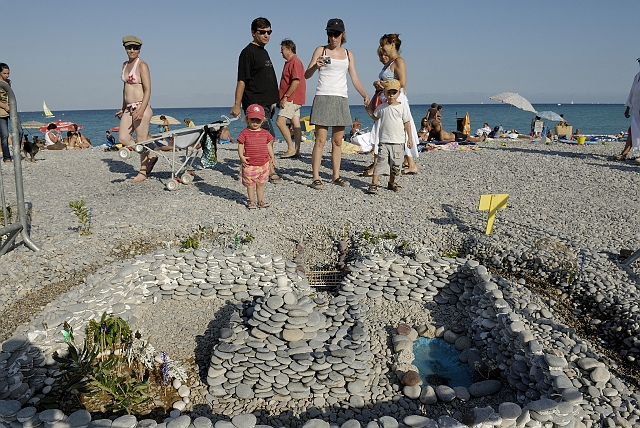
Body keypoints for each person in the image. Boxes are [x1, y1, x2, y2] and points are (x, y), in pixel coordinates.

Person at [305, 18, 370, 189]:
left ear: (343, 34)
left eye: (336, 34)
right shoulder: (321, 50)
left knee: (338, 141)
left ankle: (336, 176)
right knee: (320, 140)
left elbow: (354, 78)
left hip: (341, 98)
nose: (333, 37)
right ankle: (316, 177)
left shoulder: (348, 54)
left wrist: (365, 95)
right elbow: (306, 74)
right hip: (323, 97)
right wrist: (316, 66)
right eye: (330, 33)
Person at [230, 17, 282, 183]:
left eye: (269, 32)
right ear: (253, 32)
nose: (266, 35)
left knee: (258, 137)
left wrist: (272, 100)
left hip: (266, 103)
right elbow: (242, 80)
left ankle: (250, 168)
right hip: (254, 102)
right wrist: (237, 104)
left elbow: (265, 78)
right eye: (262, 32)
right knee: (267, 136)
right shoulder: (248, 52)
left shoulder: (263, 51)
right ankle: (269, 170)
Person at [368, 33, 419, 175]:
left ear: (392, 45)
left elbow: (402, 82)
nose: (381, 47)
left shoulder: (399, 61)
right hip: (387, 98)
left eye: (383, 44)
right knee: (389, 129)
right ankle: (407, 163)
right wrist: (377, 83)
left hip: (396, 99)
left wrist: (384, 84)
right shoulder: (389, 63)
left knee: (398, 129)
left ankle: (382, 164)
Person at [115, 35, 157, 182]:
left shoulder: (142, 65)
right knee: (123, 137)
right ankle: (150, 154)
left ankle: (143, 171)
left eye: (135, 48)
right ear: (125, 48)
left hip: (140, 106)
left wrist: (142, 108)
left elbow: (148, 89)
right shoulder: (124, 65)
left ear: (140, 49)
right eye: (129, 47)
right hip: (129, 107)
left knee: (141, 140)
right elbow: (125, 88)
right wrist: (123, 107)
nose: (132, 50)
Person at [364, 80, 412, 194]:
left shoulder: (402, 108)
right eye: (388, 92)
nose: (391, 95)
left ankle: (392, 182)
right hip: (384, 142)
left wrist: (410, 138)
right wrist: (368, 110)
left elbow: (407, 123)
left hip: (398, 142)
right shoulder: (382, 107)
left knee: (395, 165)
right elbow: (375, 117)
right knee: (380, 163)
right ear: (384, 93)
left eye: (394, 92)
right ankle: (374, 183)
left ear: (398, 94)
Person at [238, 104, 276, 209]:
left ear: (263, 120)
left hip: (263, 163)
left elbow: (269, 145)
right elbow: (241, 144)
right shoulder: (245, 133)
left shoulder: (265, 133)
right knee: (250, 185)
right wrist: (241, 156)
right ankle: (251, 201)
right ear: (247, 119)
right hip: (249, 164)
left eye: (258, 120)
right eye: (252, 119)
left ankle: (260, 201)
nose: (255, 123)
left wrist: (272, 156)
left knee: (260, 184)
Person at [276, 39, 306, 159]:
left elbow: (296, 81)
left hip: (292, 98)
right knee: (296, 124)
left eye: (282, 49)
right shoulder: (292, 62)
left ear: (289, 49)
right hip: (296, 98)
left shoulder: (295, 62)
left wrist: (285, 96)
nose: (281, 52)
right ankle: (297, 150)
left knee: (280, 122)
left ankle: (291, 148)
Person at [0, 63, 13, 162]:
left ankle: (17, 151)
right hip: (1, 110)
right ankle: (7, 156)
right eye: (5, 73)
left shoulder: (8, 82)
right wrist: (4, 106)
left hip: (11, 109)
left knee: (19, 131)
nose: (7, 75)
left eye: (8, 73)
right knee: (4, 135)